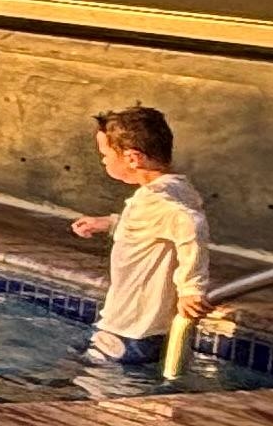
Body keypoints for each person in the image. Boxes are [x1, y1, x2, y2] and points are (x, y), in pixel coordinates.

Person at [71, 105, 210, 368]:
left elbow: (191, 223)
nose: (103, 161)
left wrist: (191, 287)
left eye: (105, 154)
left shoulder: (151, 199)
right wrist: (110, 223)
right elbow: (158, 227)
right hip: (147, 330)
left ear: (133, 158)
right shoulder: (177, 187)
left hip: (129, 329)